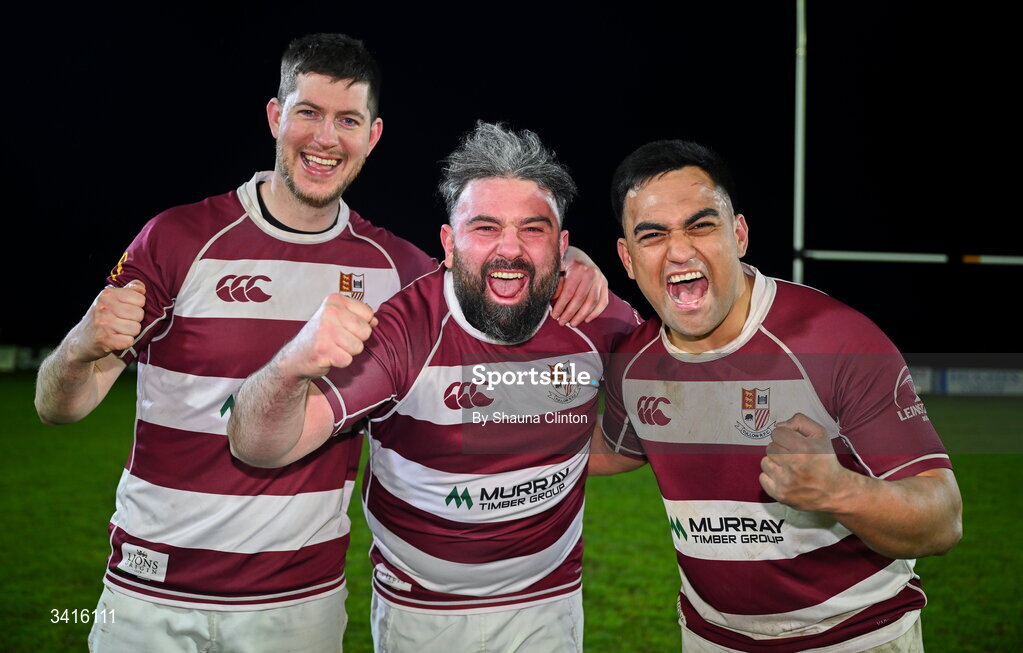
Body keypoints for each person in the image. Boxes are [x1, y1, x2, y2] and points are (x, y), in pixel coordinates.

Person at [33, 36, 607, 653]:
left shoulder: (398, 270)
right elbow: (57, 406)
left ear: (373, 134)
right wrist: (78, 347)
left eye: (348, 120)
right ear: (276, 116)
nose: (325, 138)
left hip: (298, 603)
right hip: (149, 588)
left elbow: (490, 276)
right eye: (308, 113)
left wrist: (572, 260)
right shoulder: (179, 239)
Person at [228, 121, 640, 652]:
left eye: (533, 230)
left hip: (549, 605)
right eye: (485, 228)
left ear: (562, 246)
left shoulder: (595, 316)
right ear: (448, 243)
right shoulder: (404, 330)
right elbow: (258, 446)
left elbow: (658, 413)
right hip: (421, 614)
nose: (509, 250)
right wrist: (290, 367)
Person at [590, 140, 963, 652]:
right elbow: (603, 450)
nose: (679, 251)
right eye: (653, 235)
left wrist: (837, 490)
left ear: (738, 234)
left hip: (855, 639)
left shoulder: (837, 340)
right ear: (627, 258)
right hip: (709, 638)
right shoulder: (634, 361)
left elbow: (943, 518)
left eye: (701, 225)